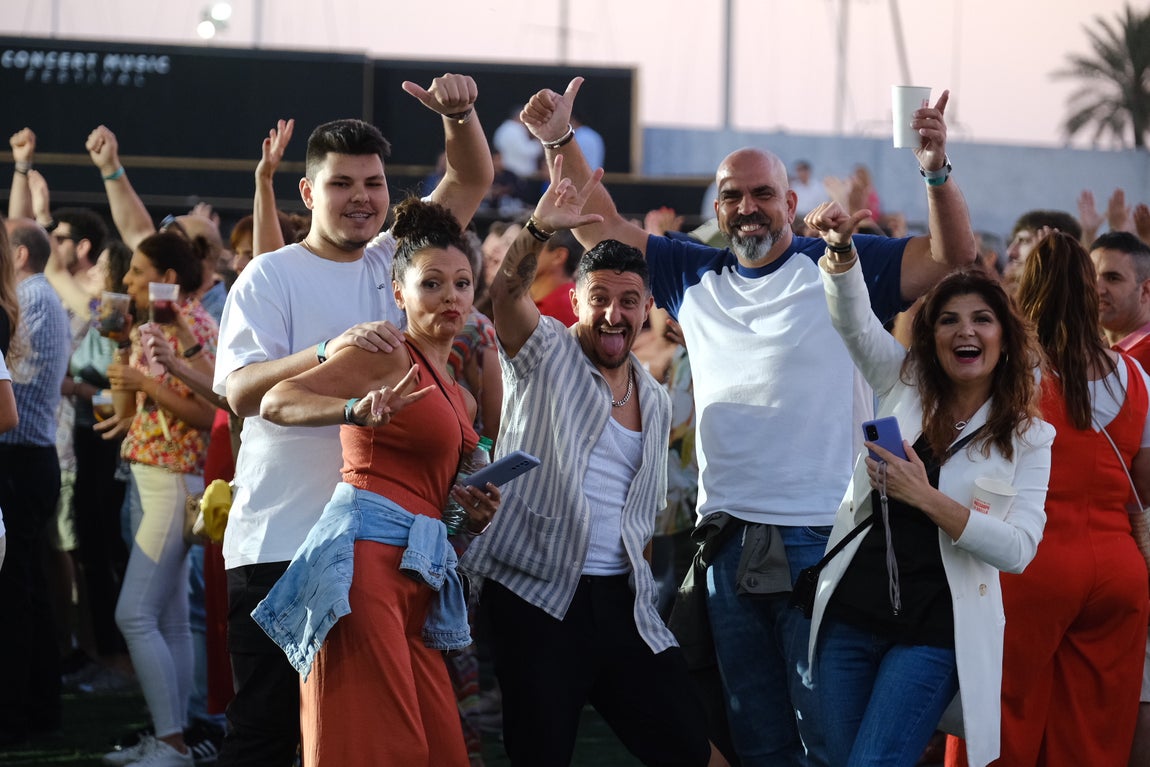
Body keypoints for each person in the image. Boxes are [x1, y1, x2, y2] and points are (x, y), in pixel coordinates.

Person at [519, 76, 977, 765]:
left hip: (825, 539)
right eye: (732, 194)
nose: (747, 206)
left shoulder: (842, 263)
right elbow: (596, 221)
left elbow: (952, 258)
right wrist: (560, 138)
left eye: (763, 193)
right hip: (726, 543)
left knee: (832, 738)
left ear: (790, 203)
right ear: (719, 207)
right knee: (759, 740)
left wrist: (935, 169)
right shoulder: (690, 272)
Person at [212, 75, 492, 766]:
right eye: (342, 183)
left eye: (372, 182)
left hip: (380, 554)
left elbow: (471, 174)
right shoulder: (269, 276)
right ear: (308, 193)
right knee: (267, 734)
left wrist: (458, 114)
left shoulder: (393, 263)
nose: (361, 197)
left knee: (366, 736)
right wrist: (325, 351)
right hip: (279, 539)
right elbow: (240, 391)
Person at [460, 155, 727, 767]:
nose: (614, 314)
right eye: (599, 297)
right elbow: (504, 293)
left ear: (648, 306)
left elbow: (640, 513)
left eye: (629, 301)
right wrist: (537, 228)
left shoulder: (653, 396)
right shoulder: (545, 349)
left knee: (691, 746)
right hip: (537, 596)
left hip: (624, 603)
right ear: (574, 299)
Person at [253, 197, 501, 766]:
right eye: (432, 284)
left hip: (418, 576)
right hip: (363, 570)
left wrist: (473, 515)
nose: (450, 297)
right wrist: (352, 410)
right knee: (378, 747)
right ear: (399, 293)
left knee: (439, 749)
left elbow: (440, 504)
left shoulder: (459, 393)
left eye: (462, 284)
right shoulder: (387, 352)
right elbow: (276, 399)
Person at [807, 230, 1053, 766]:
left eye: (981, 320)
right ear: (933, 336)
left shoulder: (1031, 439)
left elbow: (1018, 550)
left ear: (1004, 338)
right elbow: (852, 321)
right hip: (850, 614)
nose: (965, 331)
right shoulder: (904, 382)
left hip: (936, 631)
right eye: (949, 320)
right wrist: (842, 254)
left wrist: (924, 496)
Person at [982, 232, 1150, 766]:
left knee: (1002, 721)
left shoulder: (1010, 373)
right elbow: (1143, 486)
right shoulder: (1137, 375)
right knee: (1092, 734)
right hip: (1119, 570)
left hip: (1027, 562)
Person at [100, 229, 218, 767]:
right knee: (168, 619)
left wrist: (145, 384)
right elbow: (130, 409)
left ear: (168, 279)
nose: (127, 281)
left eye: (138, 272)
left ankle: (171, 743)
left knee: (135, 615)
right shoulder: (161, 324)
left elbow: (208, 416)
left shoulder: (189, 323)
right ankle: (172, 735)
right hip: (158, 475)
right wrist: (125, 355)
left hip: (173, 478)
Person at [0, 219, 71, 746]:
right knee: (28, 587)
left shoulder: (31, 298)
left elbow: (14, 388)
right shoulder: (30, 294)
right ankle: (37, 704)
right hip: (28, 457)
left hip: (22, 459)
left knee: (18, 592)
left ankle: (23, 709)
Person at [1089, 230, 1150, 767]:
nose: (1098, 289)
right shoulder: (1113, 356)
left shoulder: (1141, 360)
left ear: (1146, 291)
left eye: (1113, 277)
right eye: (1091, 276)